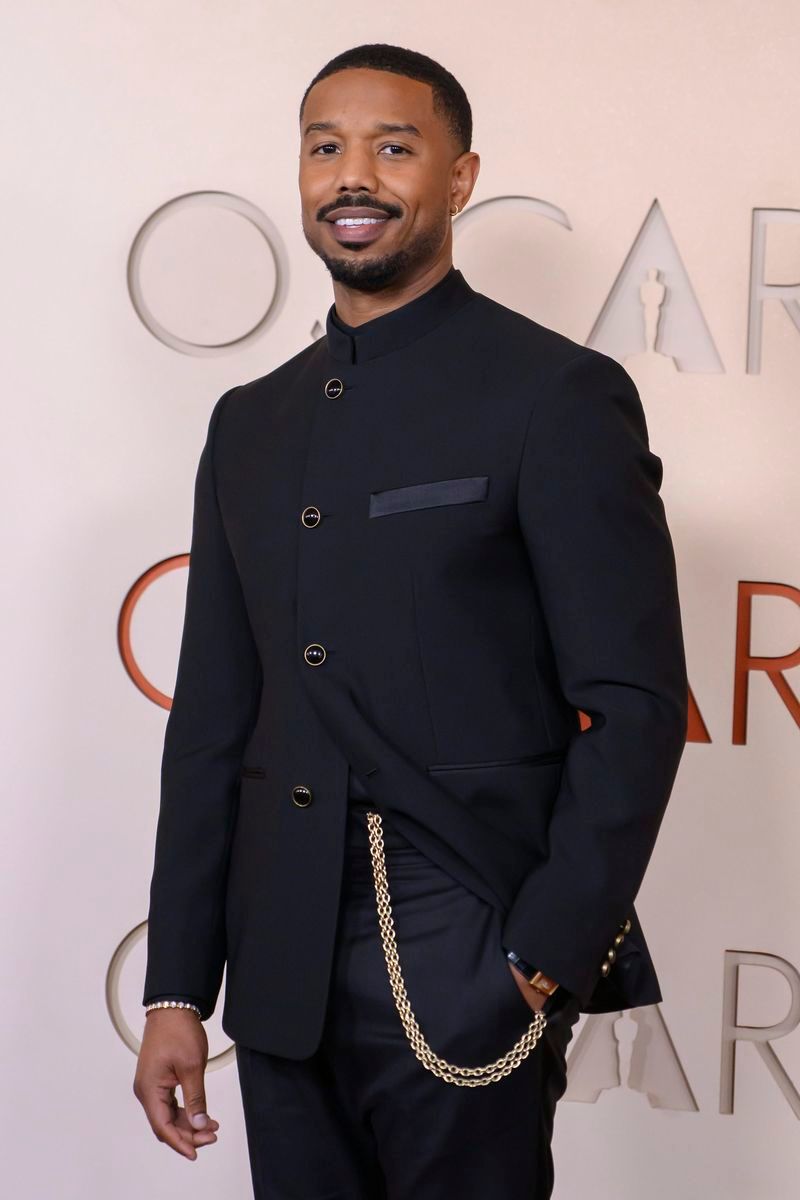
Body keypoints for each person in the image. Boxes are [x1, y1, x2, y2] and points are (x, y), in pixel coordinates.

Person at [133, 42, 689, 1199]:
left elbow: (632, 705)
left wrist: (539, 959)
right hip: (276, 965)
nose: (355, 176)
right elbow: (212, 721)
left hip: (462, 944)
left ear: (458, 176)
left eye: (394, 147)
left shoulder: (555, 396)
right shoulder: (248, 423)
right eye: (325, 146)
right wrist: (178, 989)